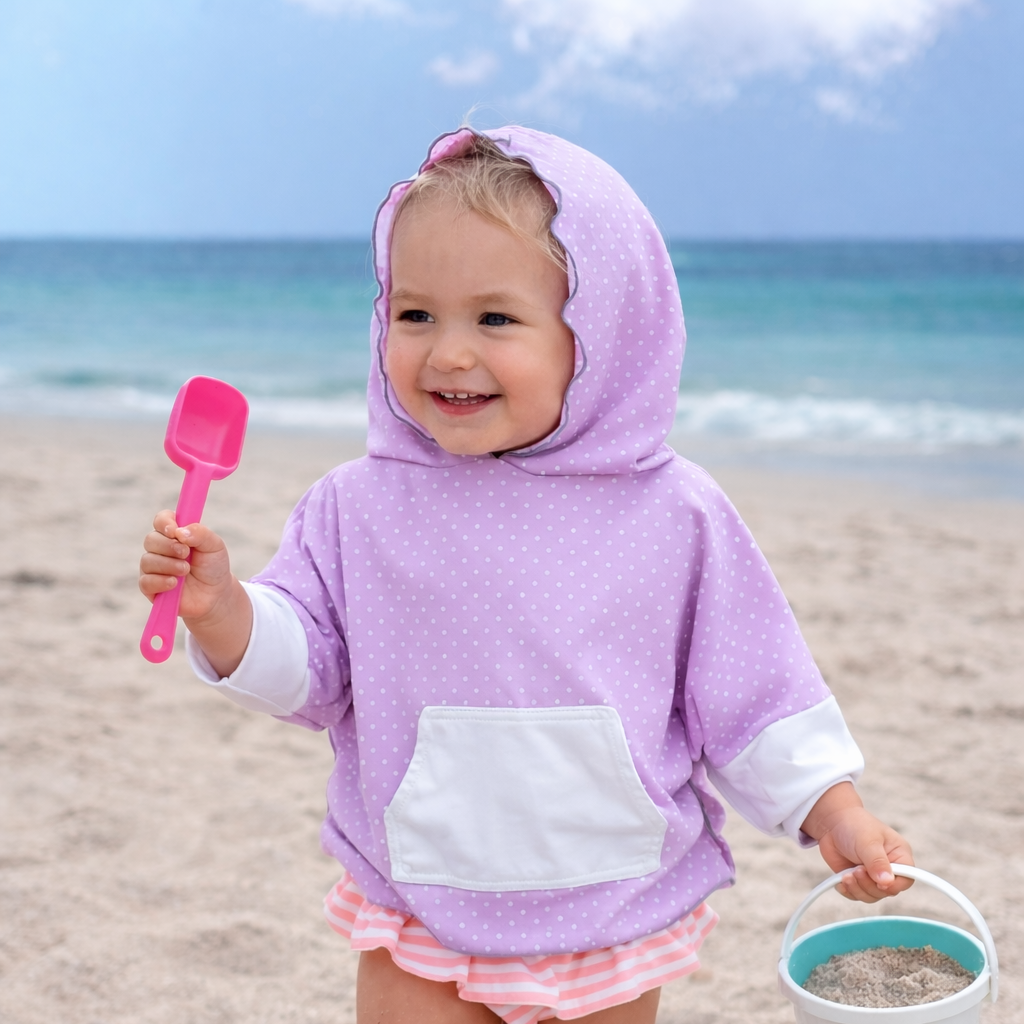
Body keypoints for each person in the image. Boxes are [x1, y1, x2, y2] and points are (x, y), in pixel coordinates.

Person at [139, 127, 913, 1024]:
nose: (448, 353)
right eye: (415, 313)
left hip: (609, 902)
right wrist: (225, 610)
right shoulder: (359, 505)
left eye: (495, 318)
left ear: (601, 335)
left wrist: (835, 811)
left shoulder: (675, 513)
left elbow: (754, 692)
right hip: (420, 895)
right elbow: (308, 667)